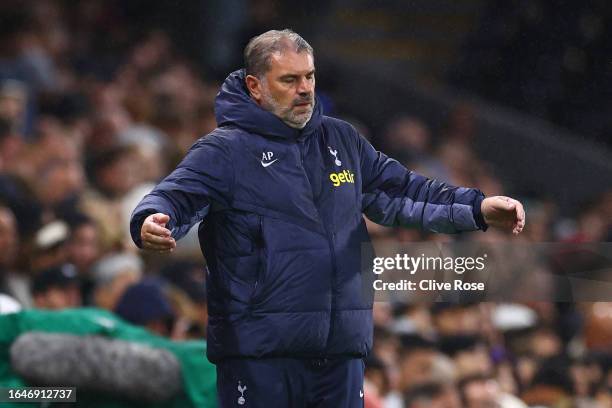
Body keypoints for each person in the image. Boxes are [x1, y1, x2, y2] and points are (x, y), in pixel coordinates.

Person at [130, 29, 525, 407]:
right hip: (261, 354)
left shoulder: (341, 139)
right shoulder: (224, 151)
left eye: (309, 76)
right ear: (255, 86)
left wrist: (477, 208)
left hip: (340, 353)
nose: (305, 89)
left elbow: (403, 191)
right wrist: (152, 219)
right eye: (289, 79)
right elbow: (172, 197)